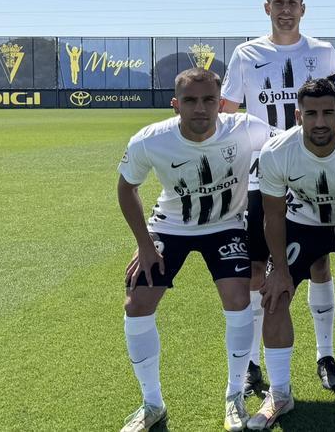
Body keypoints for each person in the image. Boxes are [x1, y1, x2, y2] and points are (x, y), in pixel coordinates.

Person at [116, 68, 273, 432]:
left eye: (208, 100)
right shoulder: (150, 140)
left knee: (238, 298)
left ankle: (234, 395)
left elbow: (290, 143)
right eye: (190, 100)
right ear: (175, 105)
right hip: (170, 226)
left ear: (222, 103)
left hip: (226, 225)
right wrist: (145, 244)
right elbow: (127, 188)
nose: (200, 109)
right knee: (137, 303)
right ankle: (152, 404)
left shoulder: (247, 128)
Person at [220, 0, 335, 391]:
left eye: (293, 2)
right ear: (266, 7)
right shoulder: (246, 54)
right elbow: (227, 115)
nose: (286, 9)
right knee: (258, 268)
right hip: (261, 177)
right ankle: (254, 361)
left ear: (303, 9)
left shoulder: (324, 52)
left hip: (314, 173)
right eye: (279, 2)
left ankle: (324, 355)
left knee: (318, 262)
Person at [248, 79, 335, 430]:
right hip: (301, 223)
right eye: (311, 114)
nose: (320, 122)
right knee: (275, 296)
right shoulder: (275, 151)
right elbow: (273, 214)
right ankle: (280, 393)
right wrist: (279, 269)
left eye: (328, 113)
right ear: (298, 116)